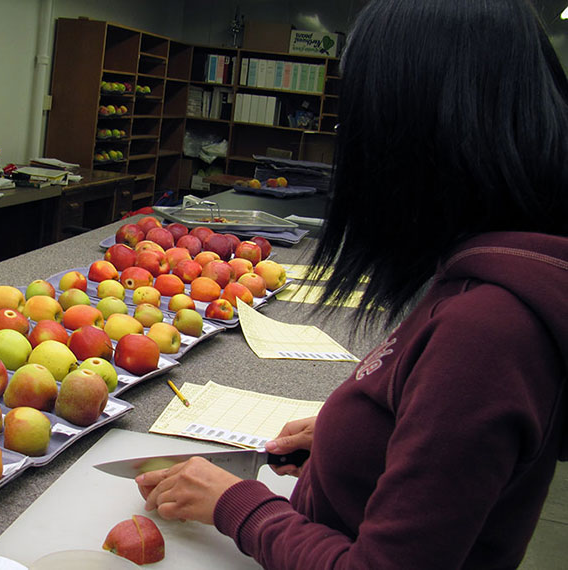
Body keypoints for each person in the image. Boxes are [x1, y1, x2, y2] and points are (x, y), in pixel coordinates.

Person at [136, 0, 568, 567]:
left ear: (415, 134)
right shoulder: (497, 274)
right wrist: (362, 436)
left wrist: (237, 505)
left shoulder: (487, 330)